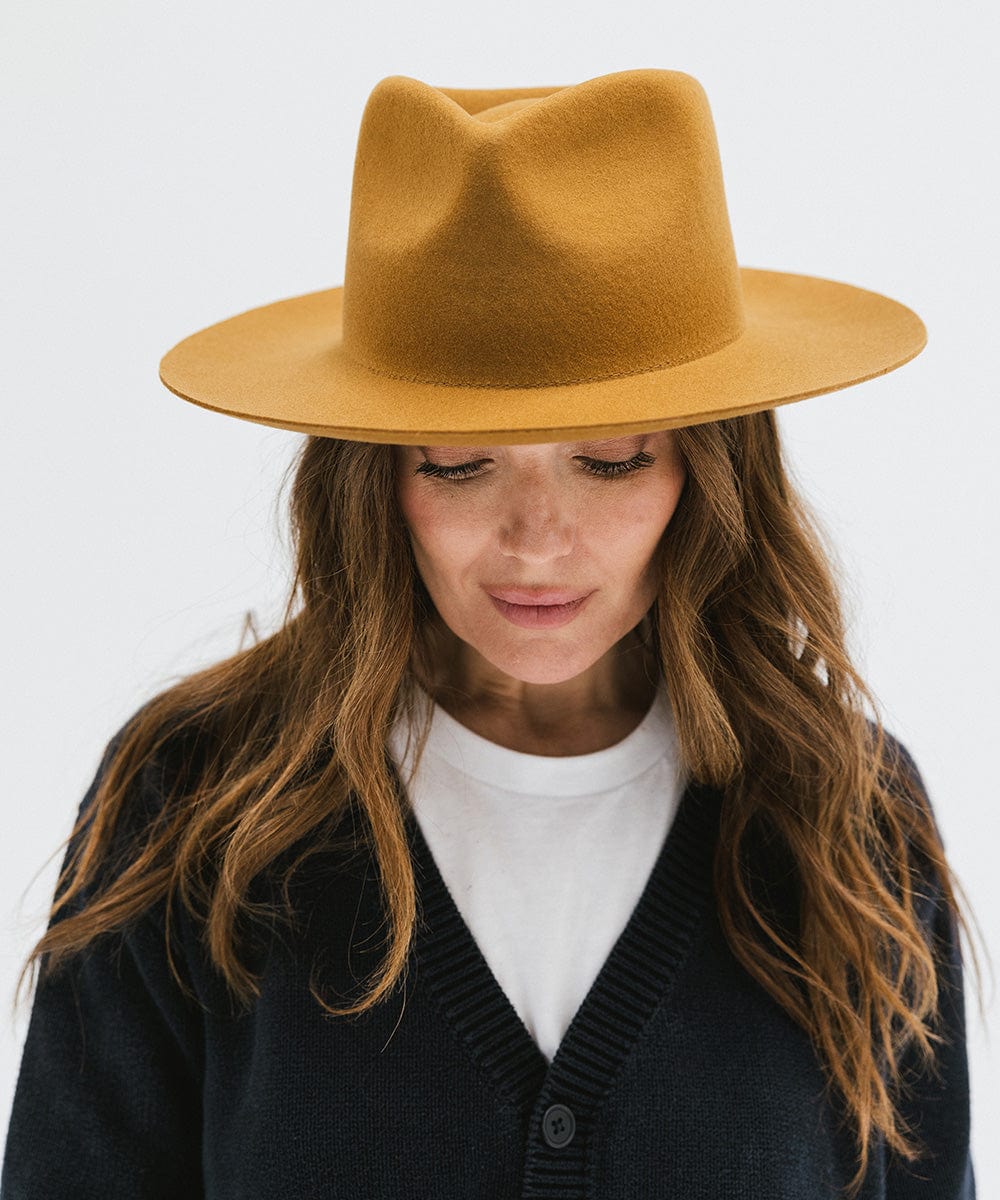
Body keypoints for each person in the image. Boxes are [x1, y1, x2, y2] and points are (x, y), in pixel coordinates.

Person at [1, 68, 980, 1199]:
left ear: (709, 474)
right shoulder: (193, 804)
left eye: (610, 460)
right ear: (372, 478)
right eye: (458, 465)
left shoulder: (843, 817)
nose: (536, 542)